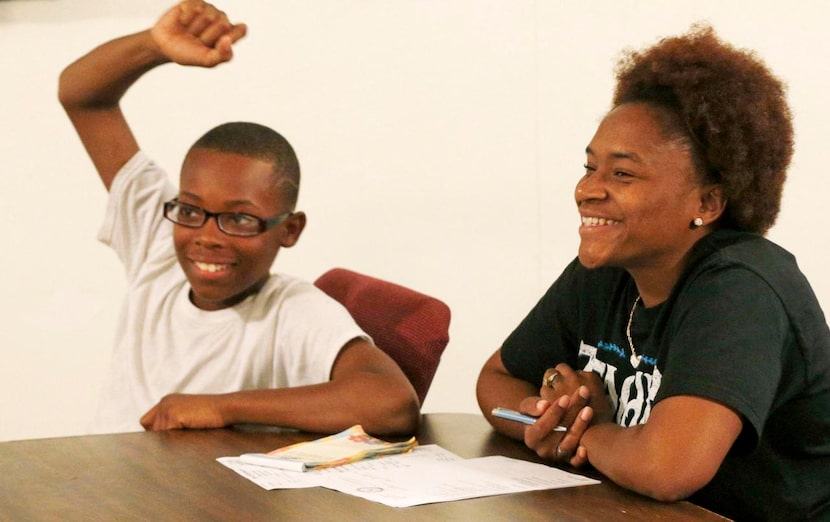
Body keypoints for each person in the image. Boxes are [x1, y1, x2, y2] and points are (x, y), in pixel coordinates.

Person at [476, 24, 830, 521]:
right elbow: (497, 381)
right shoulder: (608, 268)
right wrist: (557, 421)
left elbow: (667, 470)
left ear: (707, 202)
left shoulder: (744, 289)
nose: (588, 190)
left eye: (622, 173)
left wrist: (593, 432)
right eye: (589, 167)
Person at [58, 0, 419, 436]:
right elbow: (82, 96)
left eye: (240, 219)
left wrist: (221, 407)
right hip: (107, 482)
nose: (207, 236)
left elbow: (391, 404)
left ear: (290, 229)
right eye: (190, 211)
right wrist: (155, 45)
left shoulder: (291, 312)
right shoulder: (157, 247)